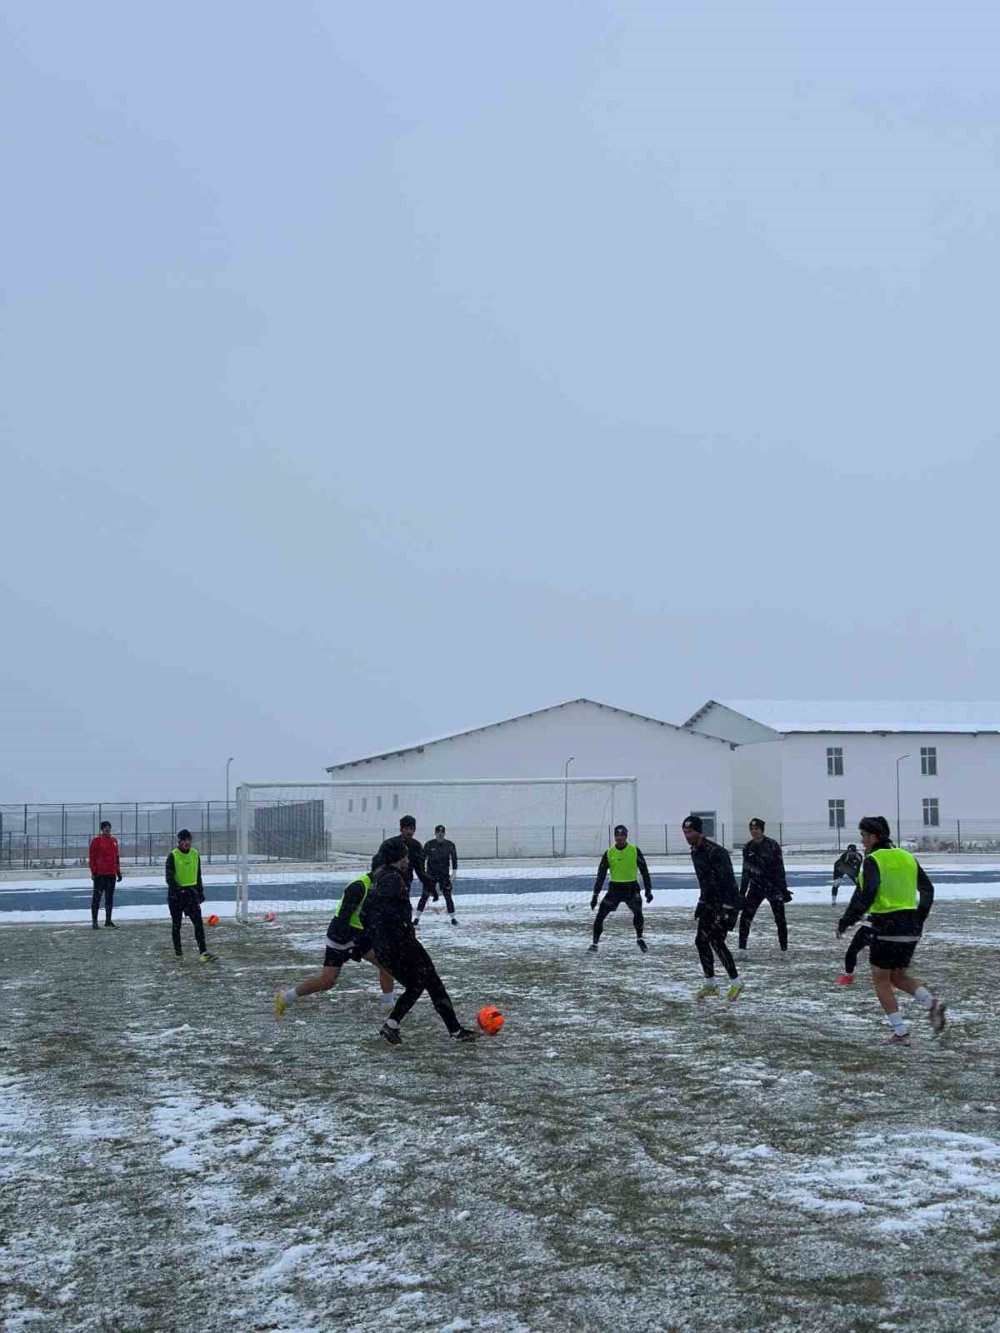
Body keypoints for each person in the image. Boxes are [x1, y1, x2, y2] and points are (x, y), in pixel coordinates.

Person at [835, 815, 946, 1044]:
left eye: (864, 836)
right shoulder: (907, 857)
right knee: (898, 975)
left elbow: (867, 894)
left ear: (874, 836)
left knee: (881, 979)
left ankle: (900, 1033)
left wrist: (846, 921)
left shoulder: (873, 860)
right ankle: (932, 1004)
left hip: (886, 925)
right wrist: (919, 919)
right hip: (910, 927)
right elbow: (928, 890)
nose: (863, 841)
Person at [362, 837, 477, 1046]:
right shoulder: (392, 879)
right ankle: (455, 1031)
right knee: (430, 981)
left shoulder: (380, 877)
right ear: (398, 857)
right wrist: (401, 931)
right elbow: (385, 913)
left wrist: (379, 938)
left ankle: (393, 1025)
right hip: (400, 943)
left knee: (418, 984)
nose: (408, 859)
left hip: (387, 945)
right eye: (405, 855)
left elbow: (367, 913)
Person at [274, 870, 394, 1017]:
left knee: (387, 964)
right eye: (403, 860)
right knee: (327, 982)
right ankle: (285, 998)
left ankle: (389, 1005)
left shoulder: (383, 883)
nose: (406, 863)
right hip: (341, 937)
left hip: (357, 936)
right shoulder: (359, 886)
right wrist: (351, 945)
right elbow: (344, 917)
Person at [682, 815, 743, 1001]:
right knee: (701, 941)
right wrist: (701, 903)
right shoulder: (694, 851)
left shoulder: (716, 852)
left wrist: (727, 908)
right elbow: (705, 882)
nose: (687, 835)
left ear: (699, 831)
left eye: (690, 831)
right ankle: (711, 984)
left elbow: (729, 882)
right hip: (709, 904)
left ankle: (736, 982)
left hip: (727, 904)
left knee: (716, 941)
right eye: (685, 832)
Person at [588, 825, 653, 953]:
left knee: (638, 913)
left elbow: (644, 871)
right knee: (600, 916)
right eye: (617, 835)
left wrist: (648, 890)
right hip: (615, 890)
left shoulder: (634, 850)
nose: (619, 838)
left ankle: (640, 939)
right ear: (614, 837)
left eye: (622, 835)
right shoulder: (609, 853)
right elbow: (601, 875)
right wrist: (595, 896)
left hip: (632, 889)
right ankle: (594, 944)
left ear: (626, 836)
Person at [737, 818, 790, 953]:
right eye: (752, 829)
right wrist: (742, 893)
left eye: (756, 829)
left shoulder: (772, 845)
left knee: (780, 919)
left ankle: (784, 948)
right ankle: (742, 948)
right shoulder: (748, 847)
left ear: (762, 830)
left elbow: (780, 868)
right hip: (755, 888)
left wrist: (783, 889)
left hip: (773, 887)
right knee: (745, 918)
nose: (754, 831)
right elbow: (745, 871)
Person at [165, 829, 217, 963]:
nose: (187, 843)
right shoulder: (173, 855)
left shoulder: (195, 854)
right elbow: (169, 878)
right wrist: (179, 891)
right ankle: (179, 954)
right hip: (176, 896)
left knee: (198, 924)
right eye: (184, 840)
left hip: (191, 894)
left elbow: (198, 874)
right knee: (177, 925)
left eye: (189, 840)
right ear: (179, 841)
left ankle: (203, 952)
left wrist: (200, 892)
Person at [371, 815, 429, 897]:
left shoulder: (416, 846)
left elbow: (420, 870)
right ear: (401, 829)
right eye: (406, 829)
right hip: (387, 882)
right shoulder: (390, 844)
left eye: (411, 829)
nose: (409, 832)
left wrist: (429, 884)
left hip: (405, 884)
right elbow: (377, 865)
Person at [418, 824, 459, 925]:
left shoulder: (450, 845)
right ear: (435, 833)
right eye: (438, 832)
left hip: (444, 875)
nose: (440, 834)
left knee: (448, 896)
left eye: (442, 832)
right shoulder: (429, 844)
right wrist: (422, 873)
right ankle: (416, 918)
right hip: (430, 875)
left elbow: (454, 859)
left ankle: (453, 918)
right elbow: (422, 859)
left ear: (444, 833)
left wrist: (454, 872)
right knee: (424, 896)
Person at [88, 819, 122, 929]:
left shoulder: (114, 841)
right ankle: (94, 921)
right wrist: (94, 872)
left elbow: (116, 858)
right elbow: (92, 858)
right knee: (96, 898)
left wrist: (118, 872)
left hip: (111, 874)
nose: (107, 829)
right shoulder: (96, 841)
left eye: (109, 827)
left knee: (109, 898)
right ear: (102, 829)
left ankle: (108, 920)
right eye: (105, 827)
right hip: (100, 875)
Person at [835, 922, 874, 987]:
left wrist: (842, 926)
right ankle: (848, 976)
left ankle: (889, 978)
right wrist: (842, 926)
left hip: (884, 930)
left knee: (882, 956)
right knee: (851, 952)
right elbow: (856, 912)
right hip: (867, 929)